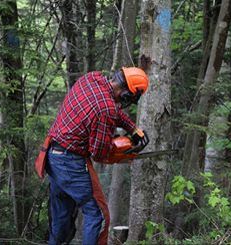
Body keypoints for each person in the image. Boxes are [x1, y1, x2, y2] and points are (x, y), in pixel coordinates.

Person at [34, 67, 150, 245]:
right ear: (126, 93)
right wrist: (119, 152)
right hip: (70, 163)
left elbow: (111, 109)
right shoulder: (106, 110)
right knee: (98, 216)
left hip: (53, 156)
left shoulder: (91, 79)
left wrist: (133, 129)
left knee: (61, 218)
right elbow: (99, 153)